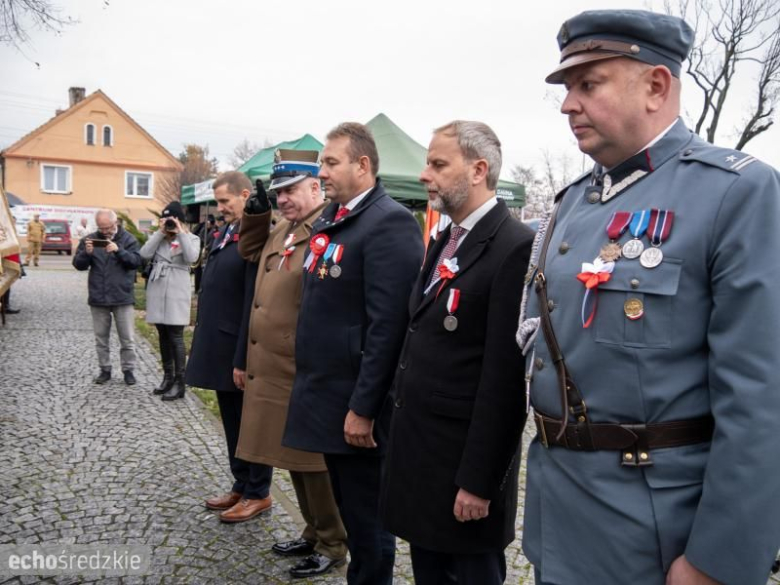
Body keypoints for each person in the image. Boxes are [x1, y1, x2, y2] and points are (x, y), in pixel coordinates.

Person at [516, 10, 780, 585]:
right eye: (566, 89)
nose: (568, 105)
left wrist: (718, 561)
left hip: (655, 535)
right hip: (561, 519)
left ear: (657, 86)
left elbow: (760, 401)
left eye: (589, 84)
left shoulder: (734, 192)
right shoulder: (571, 204)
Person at [381, 121, 534, 584]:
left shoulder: (513, 246)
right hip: (423, 459)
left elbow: (504, 381)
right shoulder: (444, 239)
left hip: (462, 469)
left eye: (438, 164)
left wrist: (479, 480)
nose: (425, 174)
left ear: (478, 170)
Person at [283, 123, 424, 585]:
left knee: (368, 524)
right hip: (326, 396)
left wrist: (363, 408)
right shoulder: (334, 218)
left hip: (355, 407)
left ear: (363, 165)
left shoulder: (389, 222)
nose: (321, 172)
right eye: (322, 162)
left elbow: (388, 327)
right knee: (351, 512)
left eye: (330, 162)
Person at [236, 150, 348, 579]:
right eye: (278, 192)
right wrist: (257, 210)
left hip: (300, 366)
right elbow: (249, 249)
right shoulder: (284, 228)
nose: (283, 199)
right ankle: (313, 530)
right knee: (289, 457)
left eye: (290, 191)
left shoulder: (325, 227)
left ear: (316, 187)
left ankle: (334, 543)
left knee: (312, 463)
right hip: (274, 364)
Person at [185, 171, 274, 523]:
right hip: (219, 341)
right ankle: (240, 482)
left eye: (225, 202)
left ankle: (258, 492)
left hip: (240, 343)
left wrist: (244, 356)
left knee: (250, 422)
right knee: (232, 421)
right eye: (218, 202)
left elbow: (253, 297)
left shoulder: (255, 237)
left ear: (245, 195)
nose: (220, 209)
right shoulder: (226, 232)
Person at [139, 201, 200, 401]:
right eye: (166, 220)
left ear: (180, 221)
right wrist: (159, 232)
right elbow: (144, 255)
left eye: (172, 220)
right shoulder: (159, 239)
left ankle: (180, 382)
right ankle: (167, 377)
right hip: (157, 287)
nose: (169, 225)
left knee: (176, 335)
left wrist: (180, 232)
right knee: (162, 334)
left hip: (176, 289)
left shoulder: (191, 238)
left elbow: (191, 257)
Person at [73, 208, 141, 385]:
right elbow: (78, 265)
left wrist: (119, 251)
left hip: (122, 296)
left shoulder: (128, 239)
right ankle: (105, 369)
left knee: (127, 338)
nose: (104, 232)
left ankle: (128, 370)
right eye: (101, 228)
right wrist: (85, 254)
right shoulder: (90, 239)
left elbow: (136, 263)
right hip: (98, 296)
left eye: (108, 227)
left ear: (115, 222)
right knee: (101, 338)